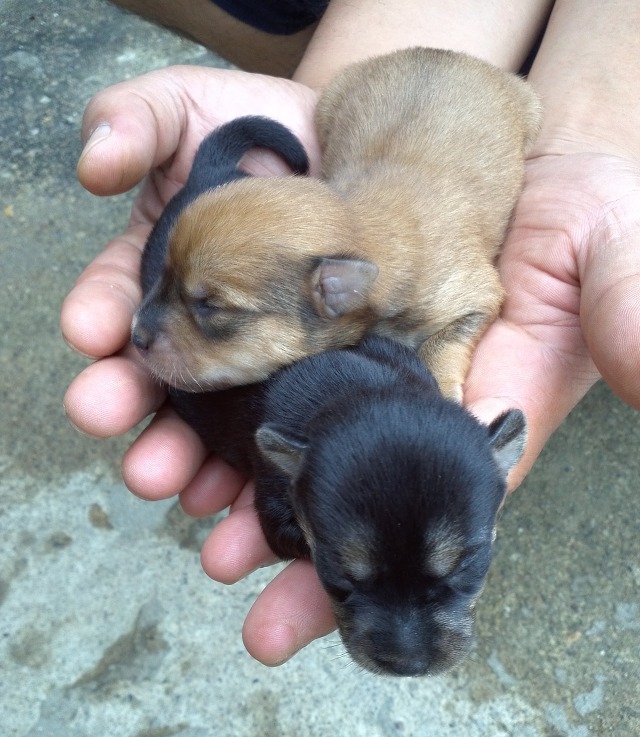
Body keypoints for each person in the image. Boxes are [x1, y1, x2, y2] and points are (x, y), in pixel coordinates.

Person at [61, 0, 640, 666]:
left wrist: (593, 134)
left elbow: (471, 304)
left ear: (335, 292)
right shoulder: (333, 252)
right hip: (386, 88)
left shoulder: (428, 276)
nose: (147, 330)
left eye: (213, 310)